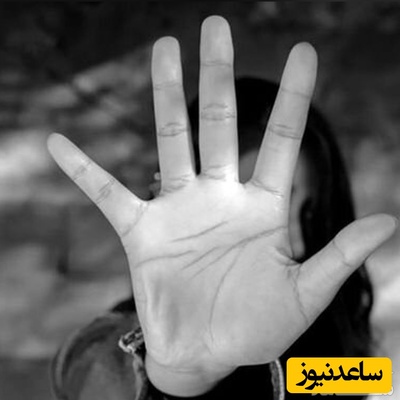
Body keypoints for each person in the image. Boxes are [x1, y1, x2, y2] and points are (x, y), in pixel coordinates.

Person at [48, 16, 397, 400]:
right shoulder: (126, 343)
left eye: (309, 209)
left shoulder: (338, 327)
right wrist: (179, 377)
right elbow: (84, 374)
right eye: (256, 208)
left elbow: (367, 378)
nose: (294, 235)